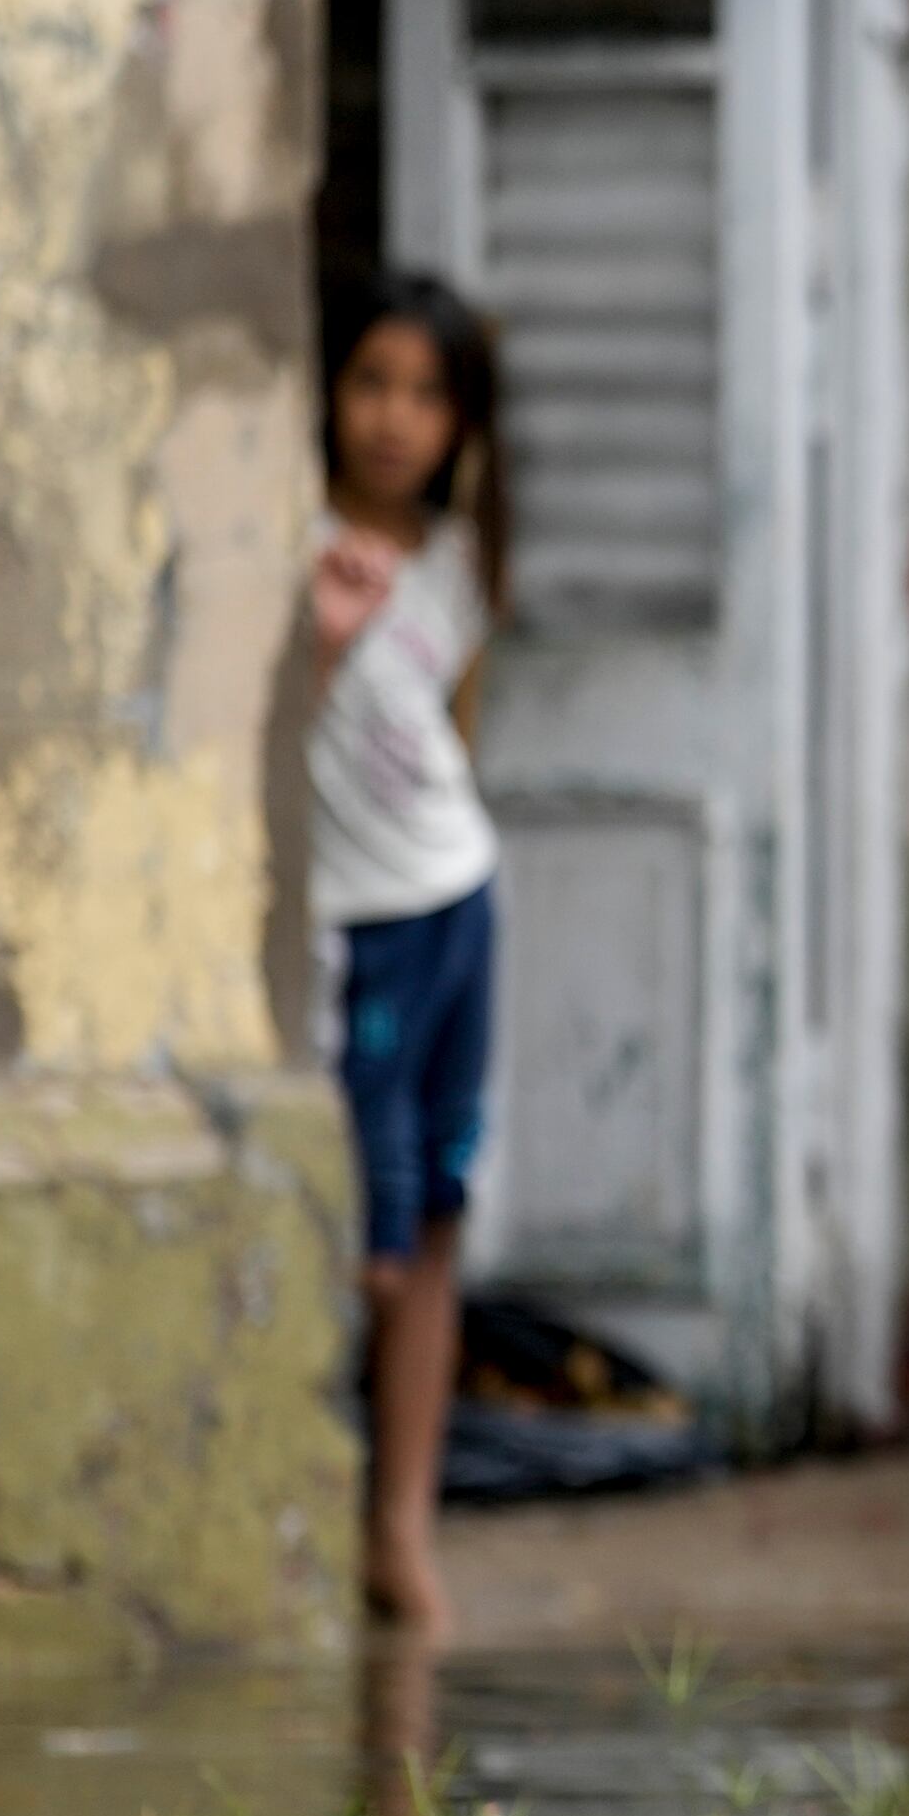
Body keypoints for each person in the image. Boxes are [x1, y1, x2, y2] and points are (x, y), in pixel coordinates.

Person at [302, 274, 514, 1646]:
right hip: (353, 930)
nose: (393, 417)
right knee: (364, 1244)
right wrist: (316, 644)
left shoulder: (458, 566)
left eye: (426, 394)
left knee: (434, 1227)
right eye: (372, 382)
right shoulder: (293, 546)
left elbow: (456, 733)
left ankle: (403, 1528)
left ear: (461, 424)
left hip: (458, 903)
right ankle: (320, 1508)